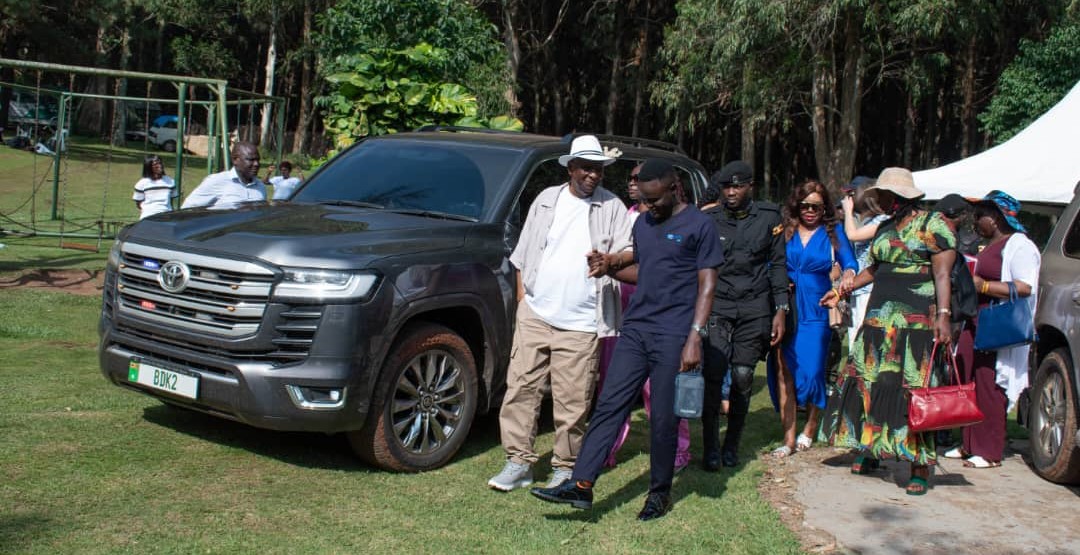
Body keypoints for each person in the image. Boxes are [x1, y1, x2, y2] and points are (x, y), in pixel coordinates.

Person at [529, 158, 723, 521]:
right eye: (644, 200)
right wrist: (610, 268)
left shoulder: (700, 225)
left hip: (674, 333)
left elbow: (708, 285)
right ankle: (581, 484)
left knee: (663, 418)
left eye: (655, 199)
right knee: (609, 405)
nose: (648, 206)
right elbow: (645, 271)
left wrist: (695, 336)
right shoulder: (644, 224)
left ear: (674, 188)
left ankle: (659, 494)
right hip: (635, 329)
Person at [487, 135, 634, 492]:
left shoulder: (611, 206)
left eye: (598, 169)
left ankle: (565, 466)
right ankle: (518, 462)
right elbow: (523, 252)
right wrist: (524, 299)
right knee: (521, 390)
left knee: (572, 401)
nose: (593, 175)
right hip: (536, 313)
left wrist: (611, 260)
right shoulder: (546, 200)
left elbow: (630, 250)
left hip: (582, 322)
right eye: (587, 168)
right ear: (571, 168)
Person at [818, 167, 956, 496]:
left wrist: (944, 315)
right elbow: (876, 269)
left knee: (912, 388)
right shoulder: (885, 226)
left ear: (898, 196)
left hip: (916, 322)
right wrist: (841, 291)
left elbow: (942, 274)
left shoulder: (933, 225)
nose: (877, 200)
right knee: (871, 383)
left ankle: (919, 465)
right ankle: (872, 448)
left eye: (881, 195)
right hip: (879, 320)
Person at [597, 163, 693, 472]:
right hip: (620, 313)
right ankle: (606, 451)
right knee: (614, 387)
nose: (634, 183)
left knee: (660, 390)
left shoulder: (674, 221)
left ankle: (676, 450)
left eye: (641, 179)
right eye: (631, 178)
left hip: (658, 317)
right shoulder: (623, 216)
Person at [700, 160, 788, 470]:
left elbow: (778, 264)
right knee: (713, 375)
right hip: (719, 305)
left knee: (742, 376)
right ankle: (710, 447)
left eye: (737, 186)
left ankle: (731, 446)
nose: (731, 192)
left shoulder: (769, 217)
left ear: (751, 186)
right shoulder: (709, 220)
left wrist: (781, 309)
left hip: (755, 306)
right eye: (726, 187)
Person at [945, 191, 1039, 469]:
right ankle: (968, 443)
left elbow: (1025, 286)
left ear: (996, 218)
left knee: (989, 384)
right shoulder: (991, 245)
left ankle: (988, 450)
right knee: (967, 378)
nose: (976, 221)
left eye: (980, 216)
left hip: (996, 323)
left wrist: (984, 286)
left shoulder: (1021, 246)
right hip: (975, 319)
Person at [766, 180, 857, 458]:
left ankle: (811, 424)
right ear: (797, 205)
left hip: (817, 308)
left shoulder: (833, 232)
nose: (809, 211)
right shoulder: (785, 230)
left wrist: (848, 275)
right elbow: (770, 261)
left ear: (824, 208)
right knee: (785, 371)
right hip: (786, 307)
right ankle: (789, 438)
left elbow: (850, 262)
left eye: (815, 206)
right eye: (805, 205)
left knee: (814, 371)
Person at [841, 176, 887, 352]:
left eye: (852, 194)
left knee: (863, 338)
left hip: (870, 287)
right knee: (854, 336)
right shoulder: (867, 221)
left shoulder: (883, 220)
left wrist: (848, 211)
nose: (849, 198)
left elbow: (852, 235)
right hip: (857, 286)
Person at [181, 142, 265, 209]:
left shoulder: (260, 186)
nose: (256, 164)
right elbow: (188, 209)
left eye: (258, 160)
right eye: (251, 160)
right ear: (235, 160)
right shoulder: (217, 181)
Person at [132, 154, 177, 219]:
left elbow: (171, 201)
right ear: (149, 166)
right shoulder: (141, 184)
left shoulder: (170, 181)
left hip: (166, 216)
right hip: (148, 217)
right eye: (156, 164)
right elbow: (139, 204)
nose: (160, 166)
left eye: (160, 163)